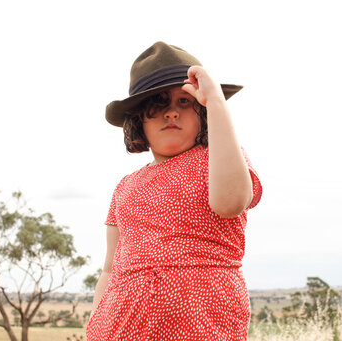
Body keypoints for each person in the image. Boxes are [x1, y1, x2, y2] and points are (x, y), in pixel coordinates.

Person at [86, 41, 262, 341]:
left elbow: (230, 202)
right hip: (120, 328)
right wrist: (95, 325)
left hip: (203, 323)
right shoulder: (125, 187)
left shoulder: (218, 158)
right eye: (158, 103)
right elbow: (109, 268)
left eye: (185, 102)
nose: (171, 113)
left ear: (203, 112)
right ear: (139, 119)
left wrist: (216, 103)